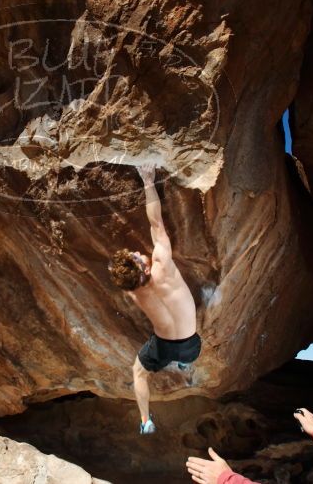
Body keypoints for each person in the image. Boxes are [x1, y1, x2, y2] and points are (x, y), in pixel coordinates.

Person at [107, 163, 201, 435]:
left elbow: (118, 274)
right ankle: (185, 364)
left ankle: (146, 421)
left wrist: (122, 266)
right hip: (191, 344)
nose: (140, 251)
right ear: (145, 267)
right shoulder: (162, 264)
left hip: (163, 346)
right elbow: (156, 222)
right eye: (138, 256)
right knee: (188, 351)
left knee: (138, 372)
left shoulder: (134, 291)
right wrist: (148, 181)